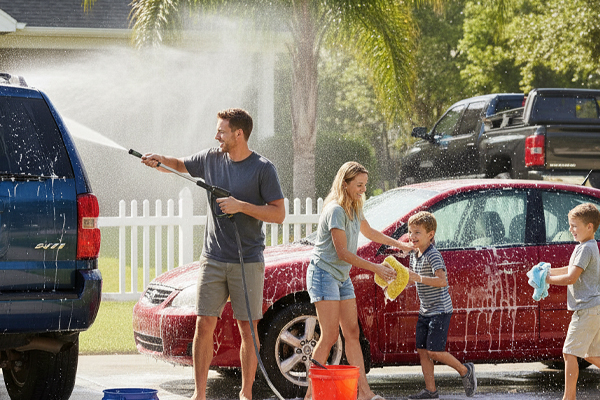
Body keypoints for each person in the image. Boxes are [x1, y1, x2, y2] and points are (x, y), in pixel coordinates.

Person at [140, 108, 285, 400]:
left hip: (248, 261)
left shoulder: (263, 168)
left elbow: (279, 213)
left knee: (247, 328)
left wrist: (240, 205)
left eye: (221, 131)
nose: (216, 135)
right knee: (204, 323)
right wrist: (159, 160)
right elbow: (179, 164)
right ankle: (200, 394)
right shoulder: (210, 158)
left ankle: (246, 394)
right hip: (214, 258)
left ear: (238, 134)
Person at [304, 161, 414, 400]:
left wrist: (400, 244)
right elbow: (342, 252)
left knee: (352, 332)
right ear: (345, 184)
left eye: (365, 185)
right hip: (323, 275)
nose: (363, 189)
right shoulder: (335, 210)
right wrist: (376, 267)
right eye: (359, 185)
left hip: (341, 277)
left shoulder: (354, 207)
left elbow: (370, 232)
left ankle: (364, 392)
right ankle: (310, 395)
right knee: (330, 335)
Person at [405, 211, 476, 399]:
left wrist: (418, 278)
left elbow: (442, 281)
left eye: (417, 233)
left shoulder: (433, 255)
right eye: (410, 232)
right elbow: (414, 279)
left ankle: (464, 370)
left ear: (431, 235)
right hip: (425, 310)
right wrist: (397, 283)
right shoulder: (415, 254)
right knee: (422, 350)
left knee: (434, 351)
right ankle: (431, 390)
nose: (412, 236)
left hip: (440, 310)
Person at [545, 203, 600, 400]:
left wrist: (547, 280)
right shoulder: (584, 247)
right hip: (593, 308)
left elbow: (571, 278)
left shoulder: (586, 249)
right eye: (570, 225)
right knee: (591, 355)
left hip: (587, 309)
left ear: (590, 227)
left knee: (569, 352)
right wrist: (546, 271)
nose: (570, 229)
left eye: (574, 225)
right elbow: (569, 270)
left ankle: (569, 397)